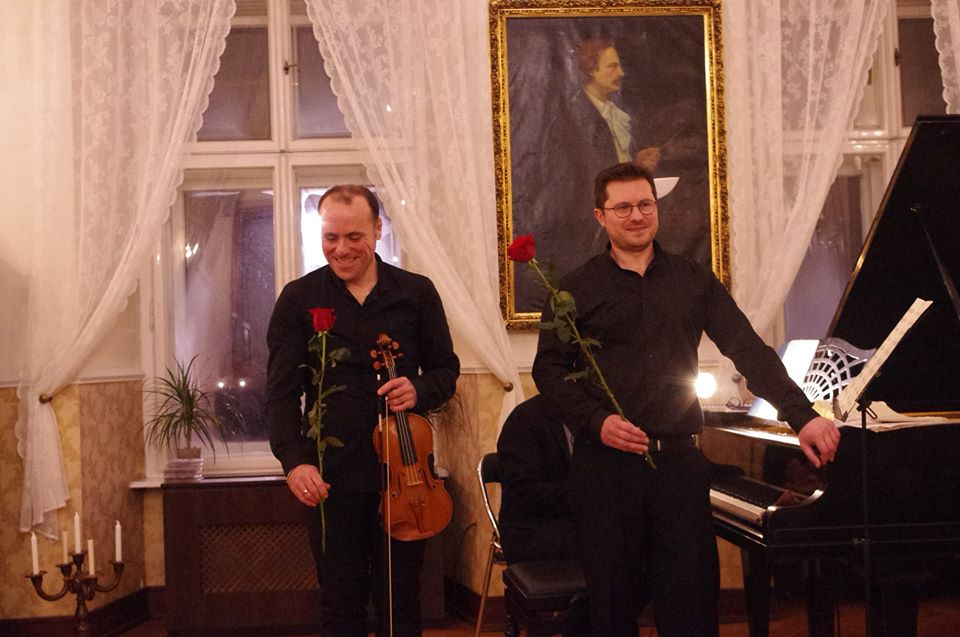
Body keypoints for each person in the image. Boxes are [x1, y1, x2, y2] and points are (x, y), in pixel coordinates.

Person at [531, 162, 840, 637]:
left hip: (679, 470)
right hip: (604, 473)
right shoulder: (573, 289)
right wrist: (596, 421)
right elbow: (548, 372)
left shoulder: (693, 279)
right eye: (623, 208)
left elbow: (747, 349)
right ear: (600, 216)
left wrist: (804, 417)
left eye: (645, 204)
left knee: (691, 609)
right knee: (612, 612)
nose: (637, 216)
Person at [265, 184, 460, 637]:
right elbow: (279, 394)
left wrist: (418, 389)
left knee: (401, 603)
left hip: (407, 474)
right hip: (331, 476)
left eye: (353, 236)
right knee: (341, 605)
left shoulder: (416, 292)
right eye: (330, 237)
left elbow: (446, 371)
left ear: (377, 229)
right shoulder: (298, 299)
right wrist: (294, 463)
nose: (341, 249)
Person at [496, 393, 577, 564]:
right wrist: (588, 496)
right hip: (534, 529)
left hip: (580, 523)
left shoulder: (602, 418)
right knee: (611, 545)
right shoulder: (525, 419)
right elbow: (523, 493)